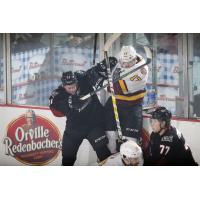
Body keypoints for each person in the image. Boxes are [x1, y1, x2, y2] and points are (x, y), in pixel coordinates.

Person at [49, 57, 118, 166]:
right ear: (63, 86)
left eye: (74, 86)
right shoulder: (59, 93)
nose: (72, 89)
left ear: (76, 81)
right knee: (67, 159)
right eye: (69, 88)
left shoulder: (82, 78)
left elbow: (93, 73)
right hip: (74, 129)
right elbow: (54, 108)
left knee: (104, 154)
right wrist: (69, 102)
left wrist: (102, 67)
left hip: (94, 125)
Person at [105, 46, 149, 154]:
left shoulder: (141, 72)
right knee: (110, 136)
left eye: (128, 63)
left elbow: (116, 89)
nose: (125, 65)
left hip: (132, 106)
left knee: (130, 142)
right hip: (114, 102)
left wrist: (105, 83)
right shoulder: (121, 58)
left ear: (134, 60)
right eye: (123, 62)